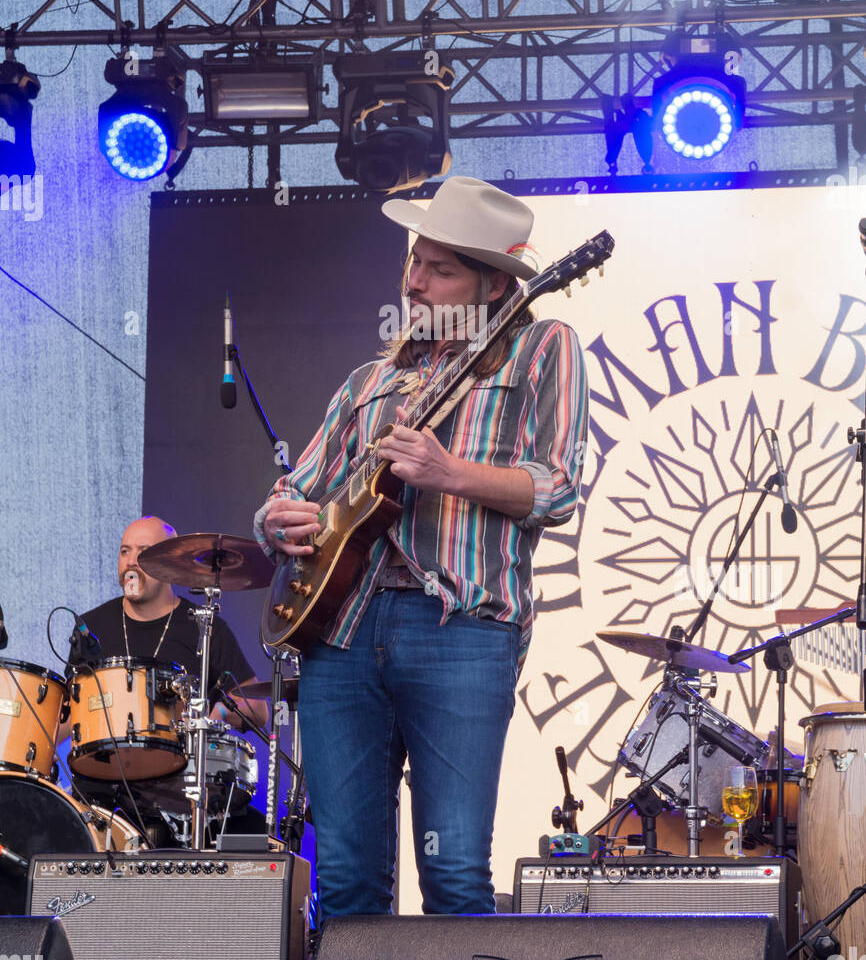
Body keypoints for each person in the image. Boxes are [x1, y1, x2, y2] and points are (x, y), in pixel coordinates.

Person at [254, 175, 587, 917]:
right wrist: (279, 521)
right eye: (414, 262)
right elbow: (293, 489)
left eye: (439, 269)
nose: (414, 282)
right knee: (342, 882)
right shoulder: (370, 379)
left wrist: (449, 473)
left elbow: (560, 487)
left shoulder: (541, 346)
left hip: (460, 629)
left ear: (492, 283)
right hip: (342, 633)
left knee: (456, 875)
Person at [64, 516, 268, 844]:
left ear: (168, 561)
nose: (130, 561)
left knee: (252, 834)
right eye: (124, 551)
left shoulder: (203, 627)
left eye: (143, 551)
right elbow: (66, 713)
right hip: (105, 789)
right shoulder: (91, 626)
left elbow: (257, 708)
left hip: (179, 790)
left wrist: (214, 717)